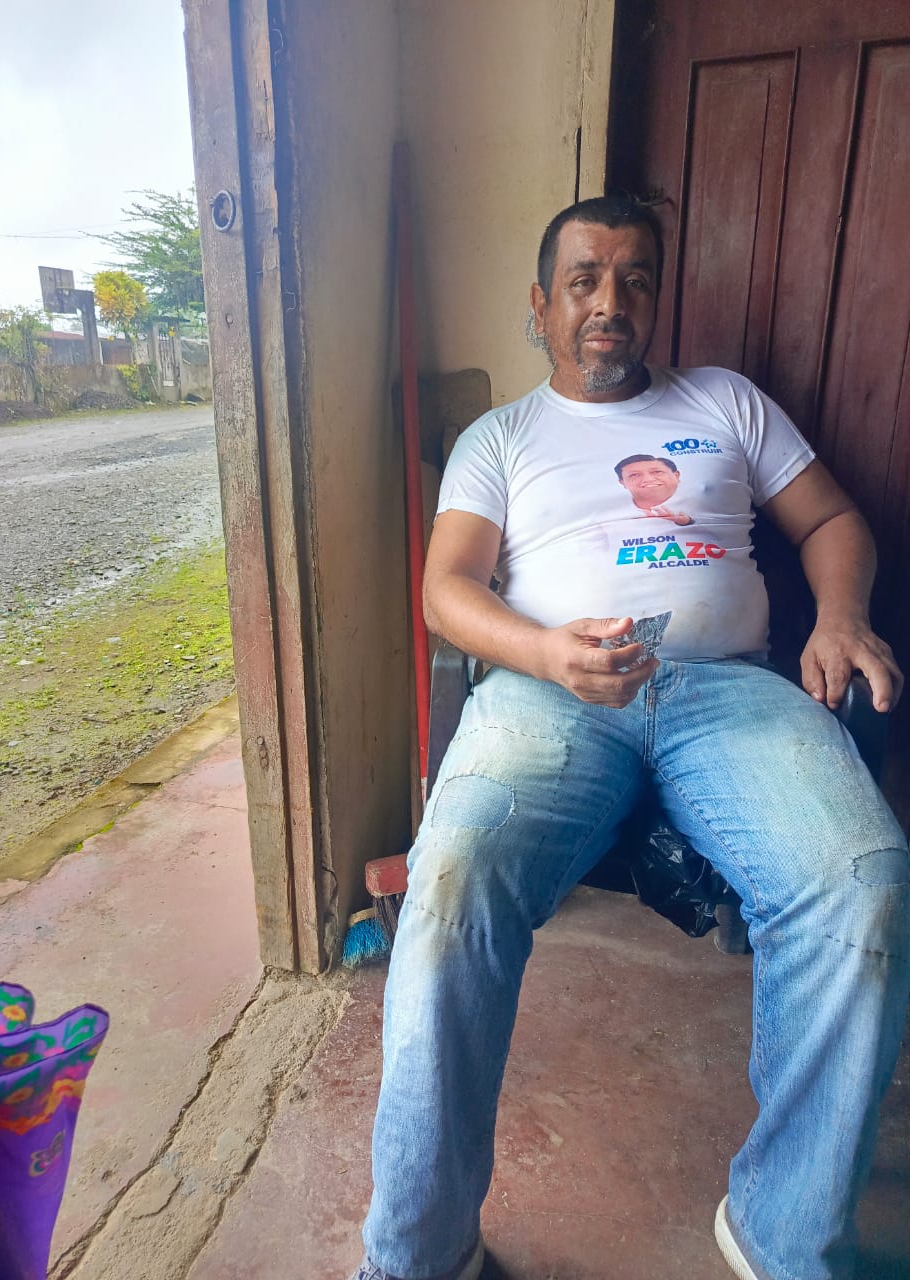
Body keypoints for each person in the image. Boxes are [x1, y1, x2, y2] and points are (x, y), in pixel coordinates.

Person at [349, 196, 910, 1280]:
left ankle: (786, 1230)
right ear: (541, 304)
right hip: (549, 694)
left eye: (635, 279)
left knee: (865, 882)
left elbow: (833, 520)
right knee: (449, 886)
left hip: (728, 692)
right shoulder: (500, 438)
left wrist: (841, 617)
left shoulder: (727, 402)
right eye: (585, 279)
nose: (611, 301)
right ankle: (419, 1254)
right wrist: (543, 650)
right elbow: (446, 588)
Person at [615, 453, 694, 525]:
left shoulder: (697, 502)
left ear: (676, 476)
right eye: (634, 475)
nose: (648, 479)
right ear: (622, 483)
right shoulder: (616, 513)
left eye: (657, 472)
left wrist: (688, 522)